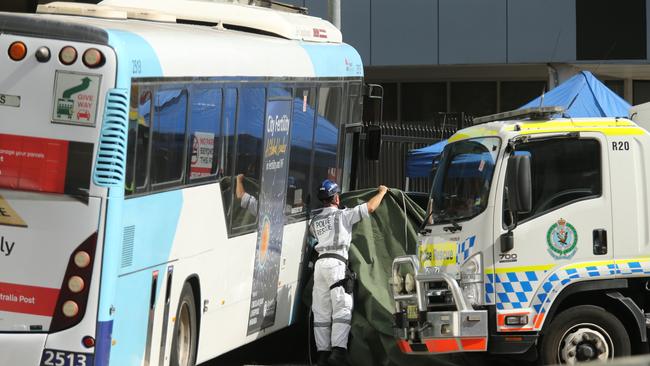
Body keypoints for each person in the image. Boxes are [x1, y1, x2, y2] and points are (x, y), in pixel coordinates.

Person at [309, 180, 388, 366]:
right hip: (337, 263)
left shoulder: (315, 221)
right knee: (341, 308)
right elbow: (369, 207)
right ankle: (338, 353)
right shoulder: (344, 215)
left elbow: (313, 235)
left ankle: (322, 354)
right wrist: (382, 192)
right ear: (336, 197)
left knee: (321, 312)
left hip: (320, 265)